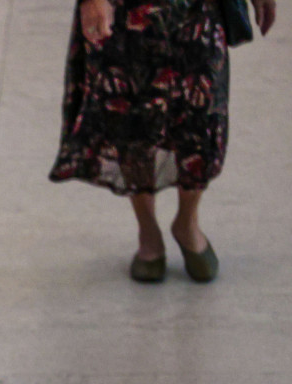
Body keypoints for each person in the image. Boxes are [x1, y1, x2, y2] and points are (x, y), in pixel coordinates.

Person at [51, 0, 276, 283]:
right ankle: (147, 229)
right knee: (132, 118)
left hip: (199, 9)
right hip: (126, 12)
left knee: (201, 118)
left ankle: (187, 221)